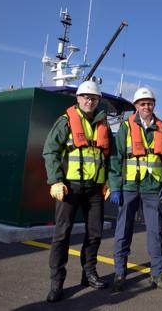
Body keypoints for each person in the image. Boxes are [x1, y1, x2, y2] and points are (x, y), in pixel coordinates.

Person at [43, 80, 111, 302]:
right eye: (85, 97)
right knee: (62, 235)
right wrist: (55, 180)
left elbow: (109, 156)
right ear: (78, 98)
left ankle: (89, 274)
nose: (89, 101)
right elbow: (50, 151)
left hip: (95, 189)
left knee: (95, 233)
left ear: (98, 100)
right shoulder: (65, 122)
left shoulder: (104, 124)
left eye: (93, 98)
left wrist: (108, 181)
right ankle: (57, 283)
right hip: (69, 187)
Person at [108, 87, 162, 292]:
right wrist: (115, 187)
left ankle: (158, 274)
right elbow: (115, 158)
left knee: (156, 232)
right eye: (142, 103)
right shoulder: (125, 128)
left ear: (154, 105)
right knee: (123, 230)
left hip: (152, 188)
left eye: (150, 103)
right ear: (136, 106)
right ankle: (120, 273)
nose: (146, 106)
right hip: (129, 187)